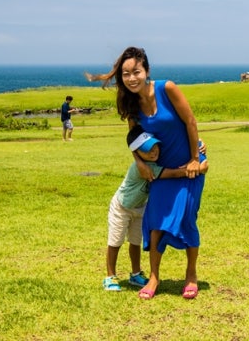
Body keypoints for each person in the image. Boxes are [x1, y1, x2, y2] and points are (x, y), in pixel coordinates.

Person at [87, 47, 205, 300]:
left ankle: (191, 274)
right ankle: (153, 277)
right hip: (161, 170)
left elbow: (191, 122)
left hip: (189, 166)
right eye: (126, 74)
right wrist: (139, 162)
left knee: (186, 217)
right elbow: (134, 138)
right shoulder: (130, 102)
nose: (131, 78)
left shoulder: (167, 88)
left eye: (136, 72)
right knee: (154, 222)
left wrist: (196, 158)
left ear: (147, 71)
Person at [103, 125, 208, 292]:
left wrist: (198, 142)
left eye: (154, 146)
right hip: (121, 207)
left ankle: (136, 273)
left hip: (139, 207)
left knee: (135, 241)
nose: (153, 152)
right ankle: (110, 276)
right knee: (115, 241)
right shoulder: (146, 167)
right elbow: (173, 174)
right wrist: (198, 170)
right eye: (147, 151)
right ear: (137, 154)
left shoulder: (153, 161)